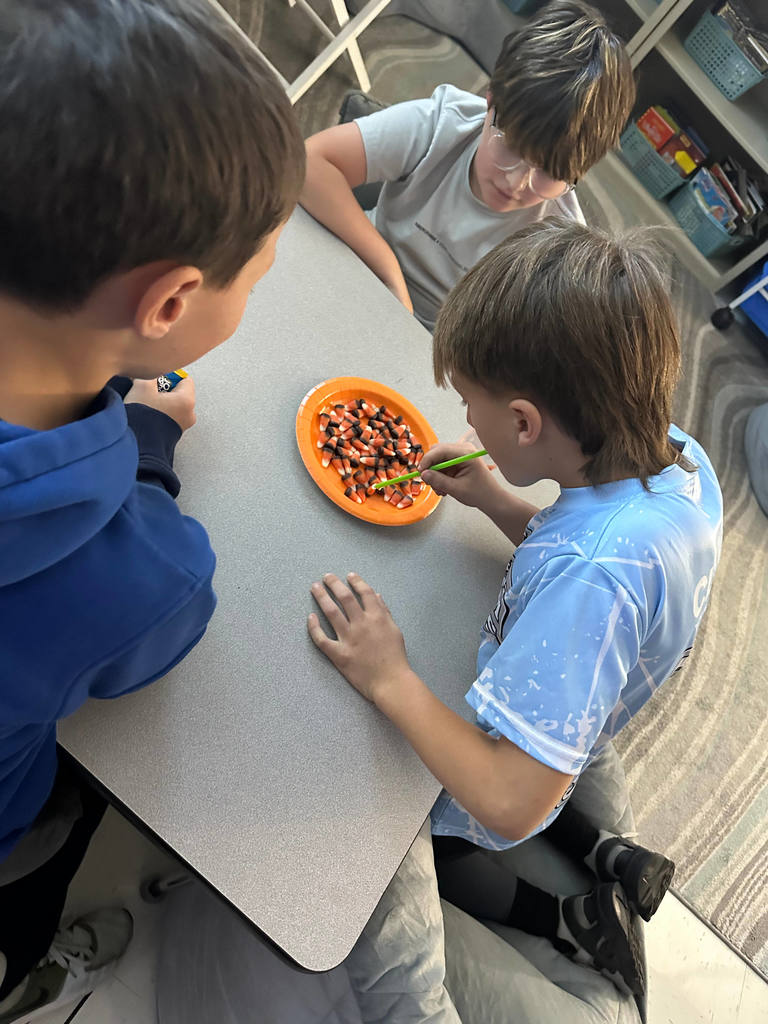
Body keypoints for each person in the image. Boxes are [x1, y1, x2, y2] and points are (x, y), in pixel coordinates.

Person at [307, 219, 723, 997]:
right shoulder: (678, 456)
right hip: (578, 700)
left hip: (513, 765)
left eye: (472, 406)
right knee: (556, 794)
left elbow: (507, 794)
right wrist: (501, 503)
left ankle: (565, 920)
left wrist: (390, 675)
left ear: (526, 424)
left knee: (450, 847)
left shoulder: (592, 578)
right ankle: (606, 854)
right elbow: (588, 543)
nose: (467, 425)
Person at [0, 1, 304, 1020]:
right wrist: (151, 445)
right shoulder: (145, 576)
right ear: (169, 306)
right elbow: (155, 644)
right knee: (43, 851)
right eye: (256, 277)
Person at [299, 0, 635, 331]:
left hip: (442, 348)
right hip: (359, 263)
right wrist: (388, 268)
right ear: (490, 100)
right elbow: (310, 162)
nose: (518, 182)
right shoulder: (444, 123)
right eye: (512, 146)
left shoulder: (561, 243)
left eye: (550, 173)